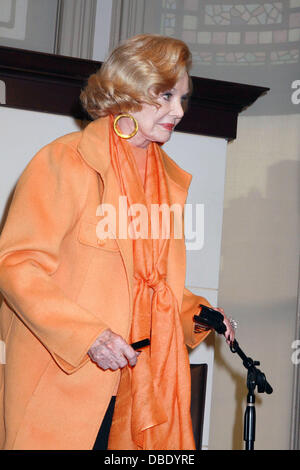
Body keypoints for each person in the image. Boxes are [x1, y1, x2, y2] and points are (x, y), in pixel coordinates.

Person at [0, 34, 235, 450]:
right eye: (165, 95)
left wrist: (201, 314)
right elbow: (16, 264)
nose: (178, 111)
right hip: (63, 378)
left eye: (182, 98)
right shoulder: (64, 160)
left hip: (139, 386)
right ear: (130, 89)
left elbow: (151, 283)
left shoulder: (165, 181)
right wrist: (87, 335)